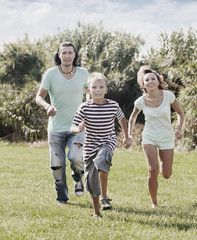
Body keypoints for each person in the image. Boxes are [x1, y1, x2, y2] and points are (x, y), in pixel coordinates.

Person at [70, 72, 132, 217]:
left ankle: (104, 196)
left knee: (102, 157)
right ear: (88, 90)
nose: (97, 90)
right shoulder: (84, 107)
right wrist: (78, 129)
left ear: (106, 89)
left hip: (107, 141)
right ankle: (97, 211)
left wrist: (127, 136)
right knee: (91, 180)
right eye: (94, 87)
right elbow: (72, 127)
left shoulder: (113, 105)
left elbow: (122, 119)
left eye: (101, 87)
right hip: (90, 145)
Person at [36, 42, 89, 204]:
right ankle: (62, 197)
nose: (66, 56)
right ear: (58, 55)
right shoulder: (51, 74)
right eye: (63, 53)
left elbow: (90, 93)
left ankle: (78, 177)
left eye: (69, 53)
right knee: (57, 165)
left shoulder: (83, 73)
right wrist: (47, 106)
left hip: (77, 126)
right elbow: (39, 97)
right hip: (56, 128)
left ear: (74, 55)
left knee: (76, 158)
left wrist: (87, 109)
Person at [128, 66, 184, 208]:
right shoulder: (140, 101)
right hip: (149, 136)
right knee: (153, 170)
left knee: (166, 174)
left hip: (166, 135)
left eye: (153, 79)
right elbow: (132, 118)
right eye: (147, 80)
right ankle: (154, 203)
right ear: (143, 84)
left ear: (158, 81)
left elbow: (180, 113)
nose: (150, 81)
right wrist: (129, 134)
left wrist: (178, 129)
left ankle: (163, 160)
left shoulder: (168, 96)